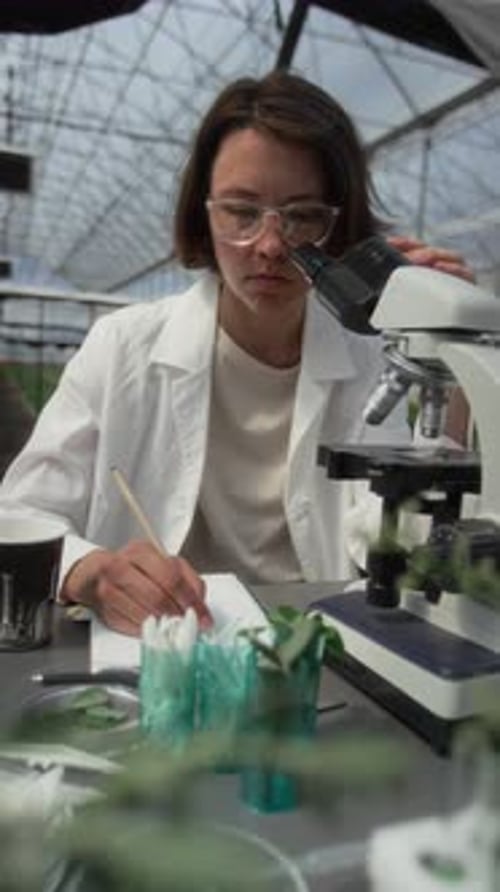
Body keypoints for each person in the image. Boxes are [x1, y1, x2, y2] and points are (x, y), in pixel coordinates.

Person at [0, 71, 474, 636]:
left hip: (317, 642)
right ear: (205, 213)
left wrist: (460, 365)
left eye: (301, 217)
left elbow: (403, 540)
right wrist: (87, 571)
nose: (271, 246)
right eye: (241, 212)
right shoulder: (121, 346)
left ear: (339, 223)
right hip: (163, 647)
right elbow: (18, 513)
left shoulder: (377, 359)